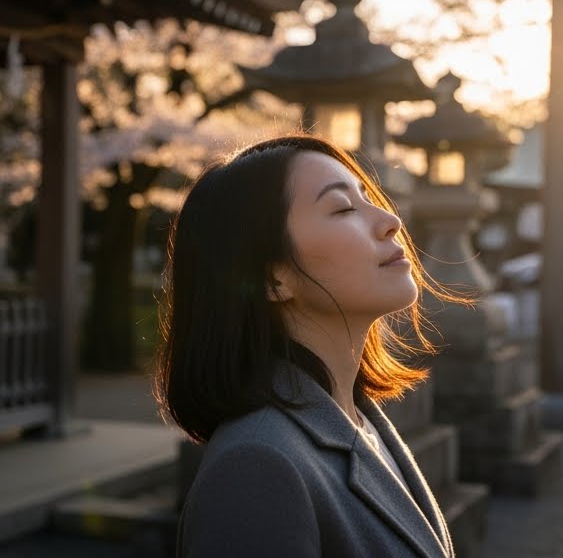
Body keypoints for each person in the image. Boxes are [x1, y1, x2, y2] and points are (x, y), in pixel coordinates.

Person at [154, 134, 467, 557]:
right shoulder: (255, 469)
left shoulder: (358, 421)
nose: (390, 220)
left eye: (370, 197)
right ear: (272, 278)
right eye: (342, 208)